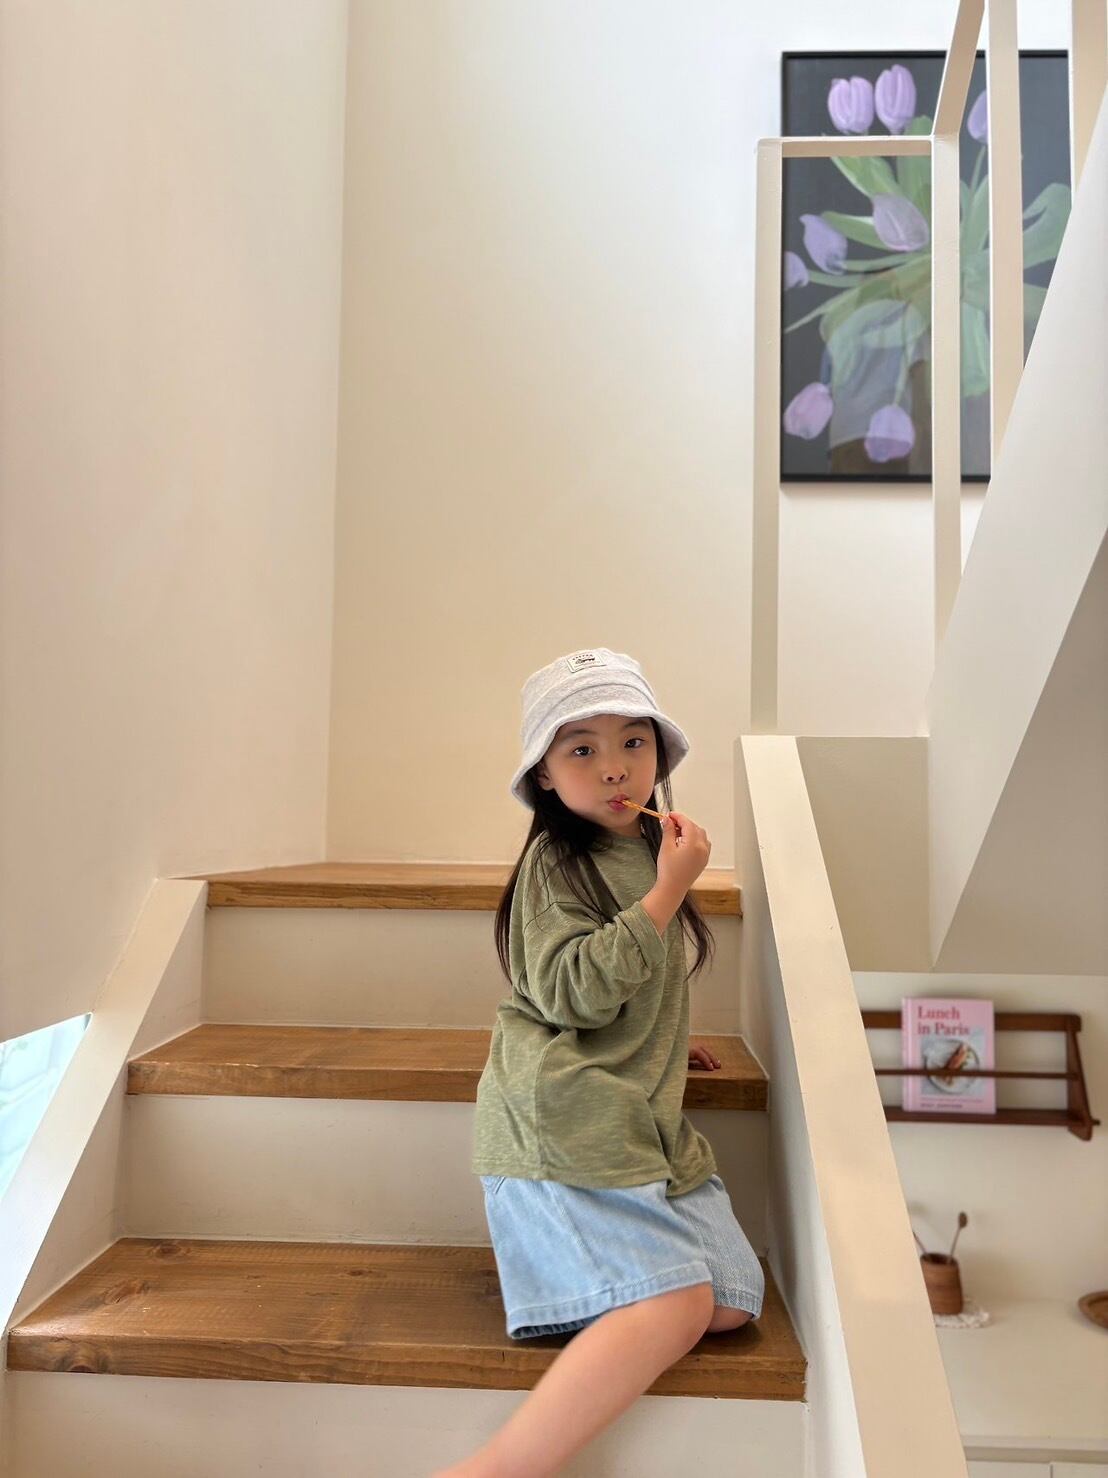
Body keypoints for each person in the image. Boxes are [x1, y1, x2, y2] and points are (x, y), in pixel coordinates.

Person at [432, 648, 764, 1478]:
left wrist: (660, 1034)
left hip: (633, 1100)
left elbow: (635, 981)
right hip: (564, 1108)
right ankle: (492, 1469)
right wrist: (668, 892)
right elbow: (572, 994)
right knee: (680, 1302)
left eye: (633, 743)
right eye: (581, 749)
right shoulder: (557, 864)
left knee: (729, 1302)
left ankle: (605, 1290)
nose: (614, 767)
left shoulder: (651, 844)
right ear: (544, 775)